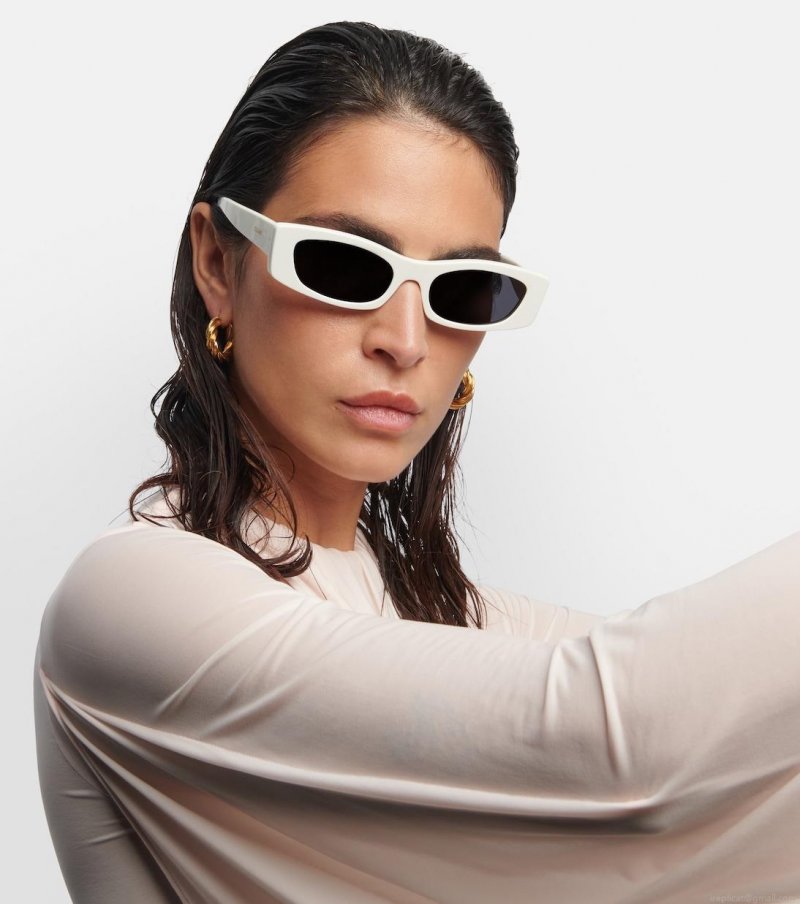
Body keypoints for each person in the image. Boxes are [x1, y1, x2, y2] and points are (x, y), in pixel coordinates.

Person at [33, 19, 800, 904]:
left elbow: (724, 727)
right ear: (216, 260)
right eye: (342, 265)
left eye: (462, 289)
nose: (405, 341)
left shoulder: (446, 619)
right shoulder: (131, 598)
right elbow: (614, 740)